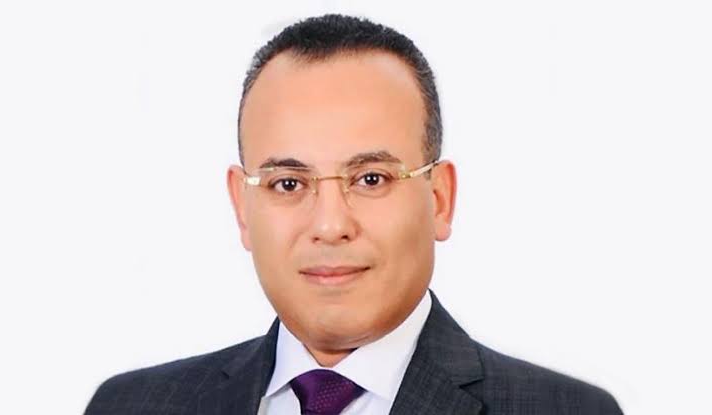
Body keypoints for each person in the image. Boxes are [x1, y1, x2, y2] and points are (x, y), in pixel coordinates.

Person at [85, 14, 623, 415]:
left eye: (371, 179)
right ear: (242, 208)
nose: (330, 225)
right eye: (288, 183)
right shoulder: (129, 407)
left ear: (439, 198)